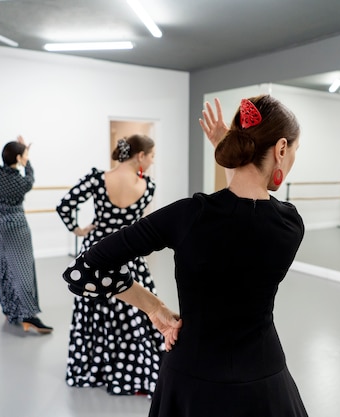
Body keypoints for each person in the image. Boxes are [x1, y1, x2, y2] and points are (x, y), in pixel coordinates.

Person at [61, 95, 309, 416]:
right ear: (280, 150)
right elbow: (243, 213)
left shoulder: (187, 216)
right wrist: (229, 152)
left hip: (190, 377)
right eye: (294, 152)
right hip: (264, 379)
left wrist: (155, 307)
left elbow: (84, 271)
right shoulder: (290, 224)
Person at [56, 134, 164, 396]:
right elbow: (142, 225)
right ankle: (132, 369)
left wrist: (78, 230)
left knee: (95, 307)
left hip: (96, 253)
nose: (152, 161)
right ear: (140, 155)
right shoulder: (148, 186)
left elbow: (64, 205)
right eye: (151, 156)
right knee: (136, 309)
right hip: (129, 251)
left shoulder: (97, 179)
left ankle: (96, 366)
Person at [0, 136, 53, 334]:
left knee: (3, 265)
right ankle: (28, 315)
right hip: (15, 225)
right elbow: (31, 178)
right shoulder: (21, 182)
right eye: (23, 155)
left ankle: (10, 309)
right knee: (23, 269)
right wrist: (28, 161)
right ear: (18, 157)